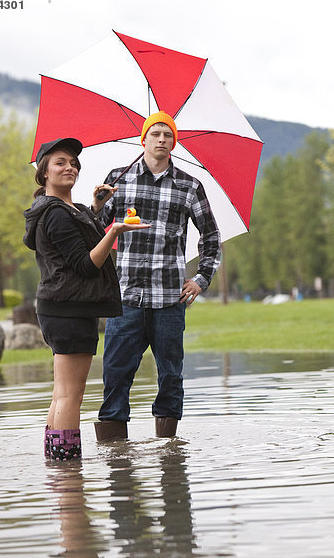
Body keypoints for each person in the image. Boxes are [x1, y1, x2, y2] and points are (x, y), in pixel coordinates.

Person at [91, 111, 221, 440]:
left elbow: (211, 238)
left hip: (170, 300)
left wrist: (201, 279)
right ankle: (115, 459)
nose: (162, 139)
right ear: (143, 139)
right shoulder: (117, 180)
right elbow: (94, 232)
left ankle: (169, 453)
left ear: (174, 143)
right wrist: (96, 206)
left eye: (168, 135)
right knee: (115, 374)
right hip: (126, 299)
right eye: (156, 133)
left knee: (171, 377)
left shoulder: (190, 186)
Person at [23, 138, 149, 460]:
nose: (70, 167)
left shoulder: (68, 210)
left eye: (73, 163)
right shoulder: (56, 214)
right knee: (70, 396)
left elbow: (77, 243)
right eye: (60, 162)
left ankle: (57, 465)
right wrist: (114, 232)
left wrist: (95, 208)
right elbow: (86, 265)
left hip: (61, 307)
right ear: (44, 172)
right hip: (69, 309)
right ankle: (68, 469)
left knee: (60, 394)